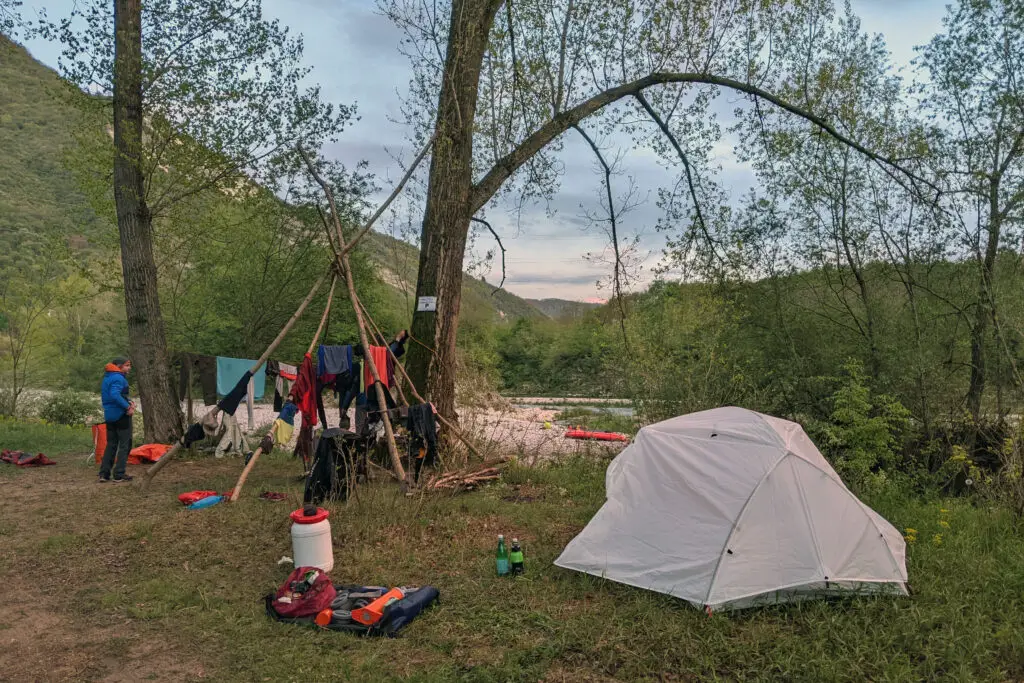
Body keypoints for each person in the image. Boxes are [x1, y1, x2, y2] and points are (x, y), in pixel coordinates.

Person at [99, 357, 135, 483]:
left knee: (111, 444)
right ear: (119, 366)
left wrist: (128, 400)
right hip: (121, 415)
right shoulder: (119, 378)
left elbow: (114, 395)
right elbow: (115, 394)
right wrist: (127, 407)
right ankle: (119, 474)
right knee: (125, 444)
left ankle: (104, 474)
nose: (129, 368)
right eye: (127, 365)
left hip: (109, 415)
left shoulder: (107, 377)